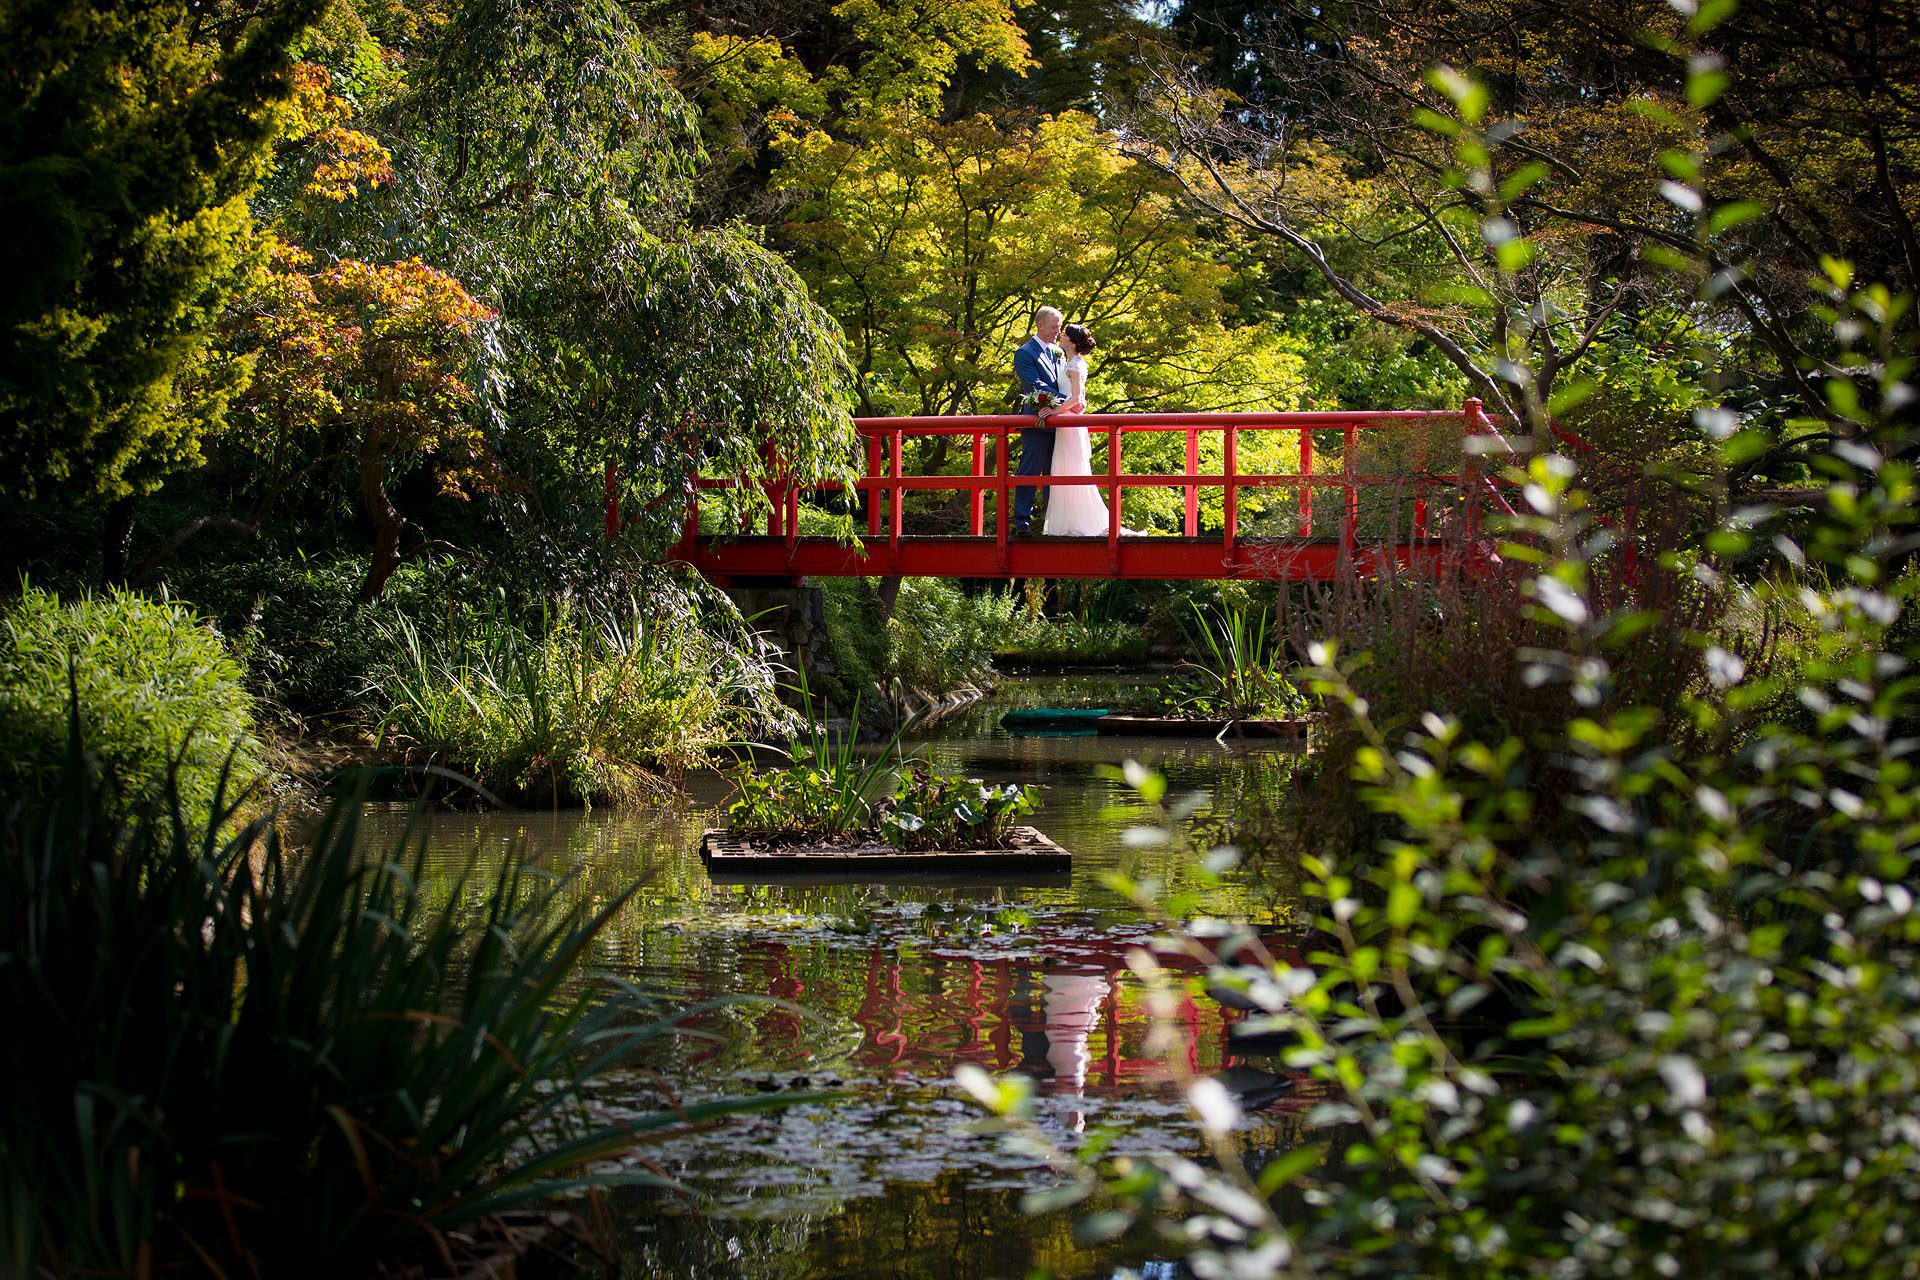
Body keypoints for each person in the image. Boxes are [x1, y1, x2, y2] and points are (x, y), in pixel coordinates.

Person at [1041, 323, 1123, 537]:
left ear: (1073, 342)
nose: (1061, 336)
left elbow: (1077, 397)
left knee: (1071, 466)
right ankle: (1067, 521)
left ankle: (1076, 521)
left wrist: (1054, 411)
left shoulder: (1076, 364)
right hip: (1068, 419)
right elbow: (1079, 399)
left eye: (1065, 335)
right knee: (1065, 466)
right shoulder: (1071, 362)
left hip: (1068, 421)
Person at [1010, 306, 1072, 532]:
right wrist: (1070, 401)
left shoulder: (1057, 351)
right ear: (1040, 325)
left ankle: (1051, 521)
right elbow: (1035, 386)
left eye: (1059, 326)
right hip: (1036, 420)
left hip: (1059, 421)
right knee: (1030, 469)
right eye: (1054, 326)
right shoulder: (1025, 352)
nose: (1058, 330)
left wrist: (1067, 404)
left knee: (1054, 471)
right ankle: (1022, 521)